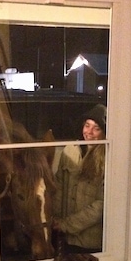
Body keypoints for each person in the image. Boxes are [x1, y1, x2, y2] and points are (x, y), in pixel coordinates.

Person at [53, 104, 106, 253]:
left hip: (90, 241)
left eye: (96, 128)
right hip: (65, 237)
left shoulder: (107, 159)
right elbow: (59, 187)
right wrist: (55, 220)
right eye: (87, 125)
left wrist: (67, 224)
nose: (89, 132)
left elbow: (101, 205)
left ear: (104, 133)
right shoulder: (70, 150)